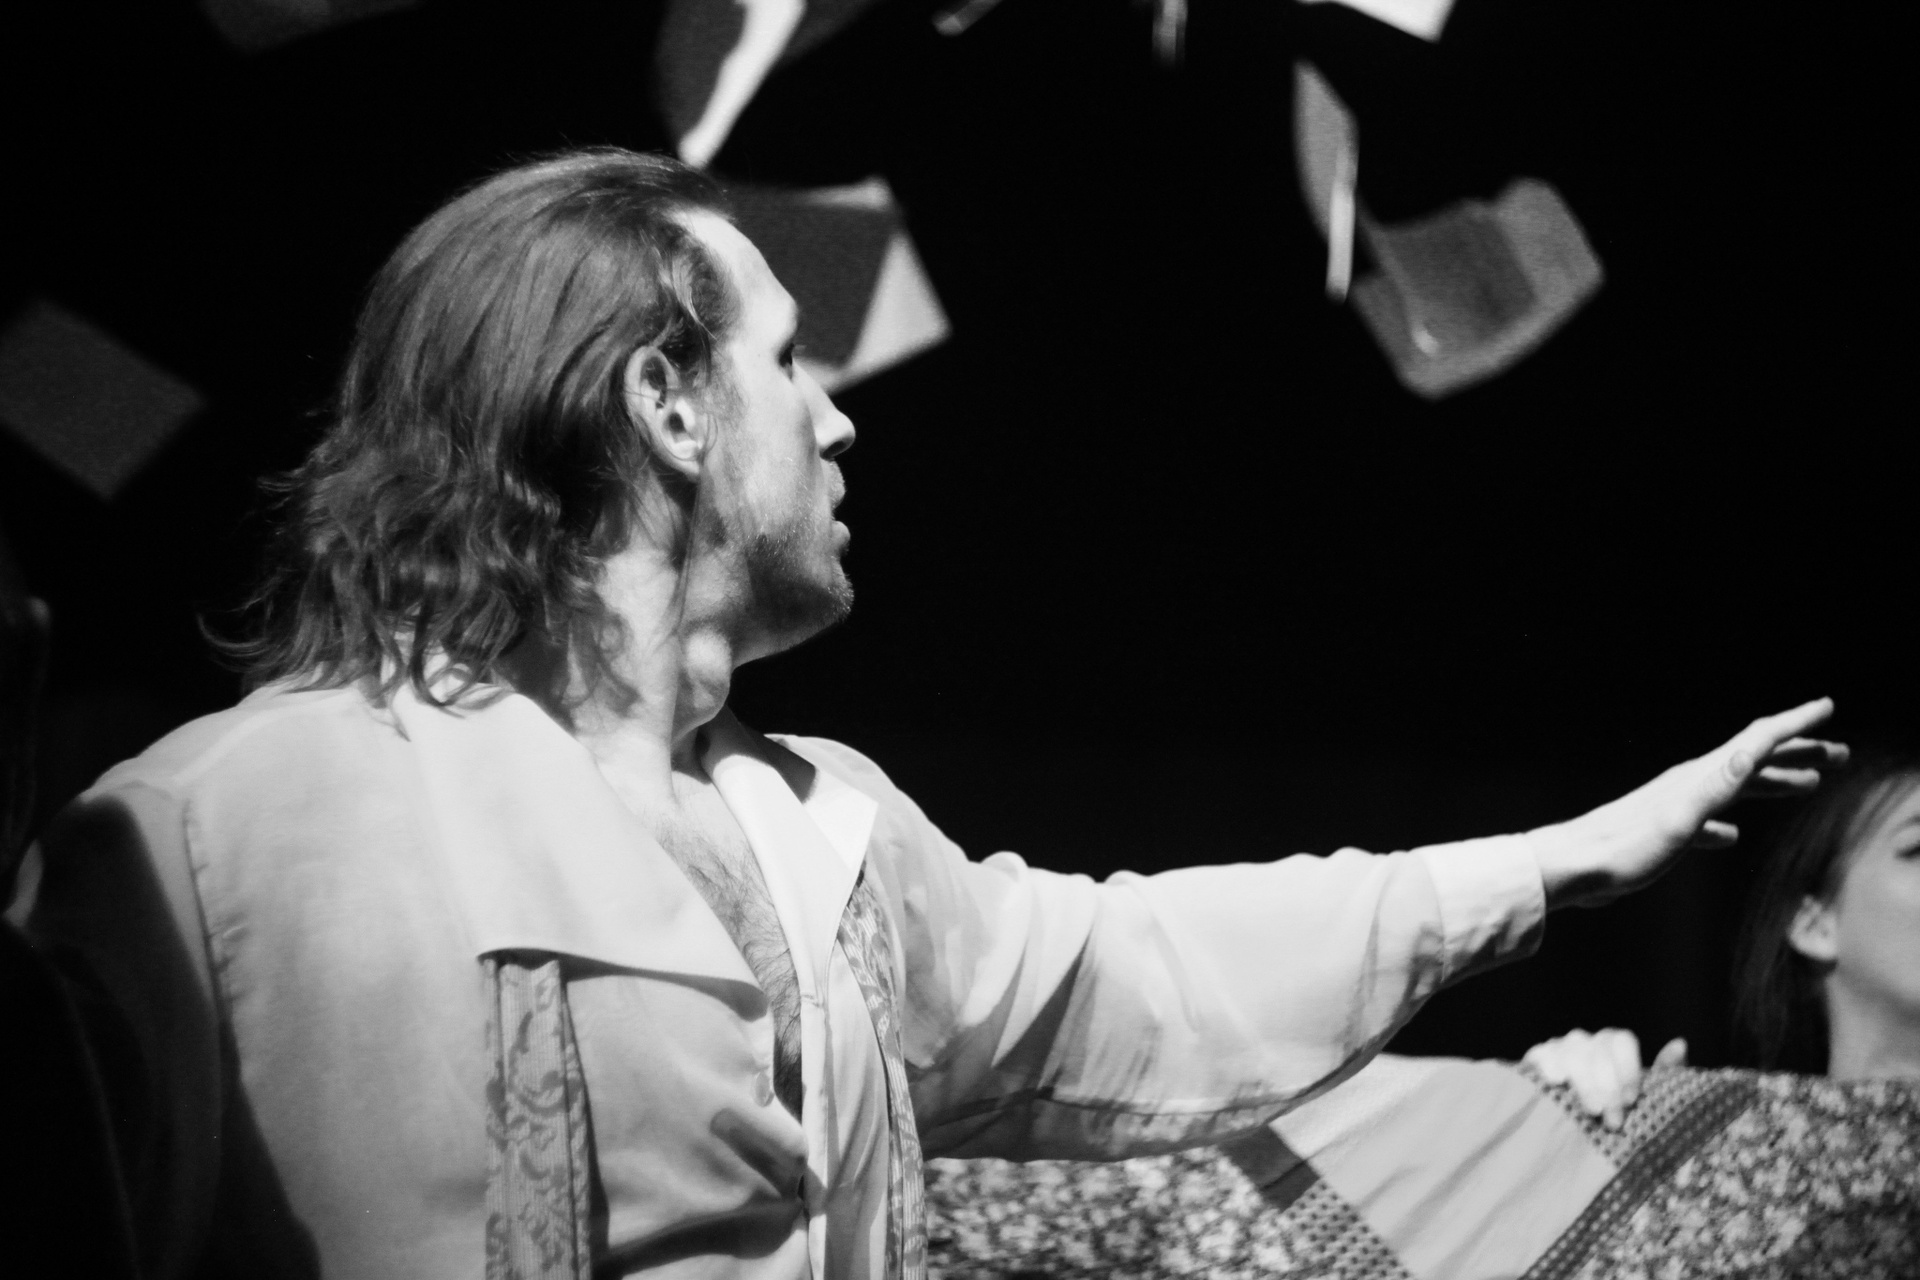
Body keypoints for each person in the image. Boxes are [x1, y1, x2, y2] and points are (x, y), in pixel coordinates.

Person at [9, 148, 1845, 1280]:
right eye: (787, 361)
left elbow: (1140, 975)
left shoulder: (824, 834)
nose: (838, 417)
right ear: (664, 404)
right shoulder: (222, 836)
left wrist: (1558, 863)